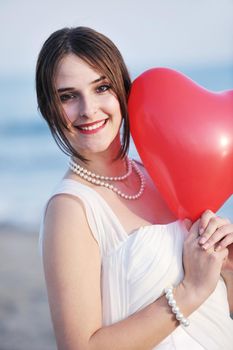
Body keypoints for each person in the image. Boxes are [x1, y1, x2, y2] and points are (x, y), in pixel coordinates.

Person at [36, 26, 233, 350]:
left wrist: (224, 266)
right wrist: (190, 291)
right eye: (68, 96)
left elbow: (210, 314)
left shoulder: (159, 176)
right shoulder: (71, 209)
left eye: (101, 87)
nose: (88, 109)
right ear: (48, 109)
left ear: (122, 90)